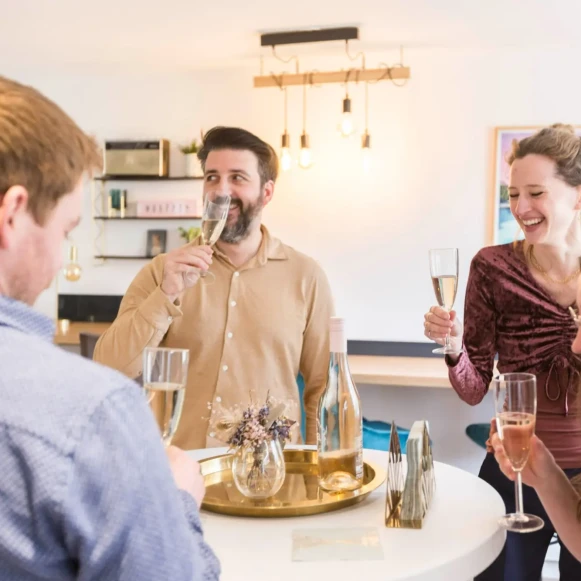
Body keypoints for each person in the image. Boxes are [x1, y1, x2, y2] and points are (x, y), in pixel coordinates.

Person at [0, 75, 219, 579]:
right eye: (66, 230)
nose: (59, 259)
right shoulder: (90, 414)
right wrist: (180, 503)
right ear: (13, 213)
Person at [94, 126, 334, 450]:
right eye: (211, 177)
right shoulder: (162, 272)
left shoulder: (307, 277)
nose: (221, 190)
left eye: (237, 177)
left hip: (271, 479)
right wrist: (164, 296)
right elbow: (110, 367)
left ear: (267, 192)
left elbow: (323, 390)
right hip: (180, 475)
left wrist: (319, 470)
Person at [423, 124, 581, 580]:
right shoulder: (493, 267)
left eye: (536, 192)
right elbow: (474, 390)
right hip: (514, 467)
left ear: (577, 196)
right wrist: (453, 349)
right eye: (513, 194)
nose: (521, 208)